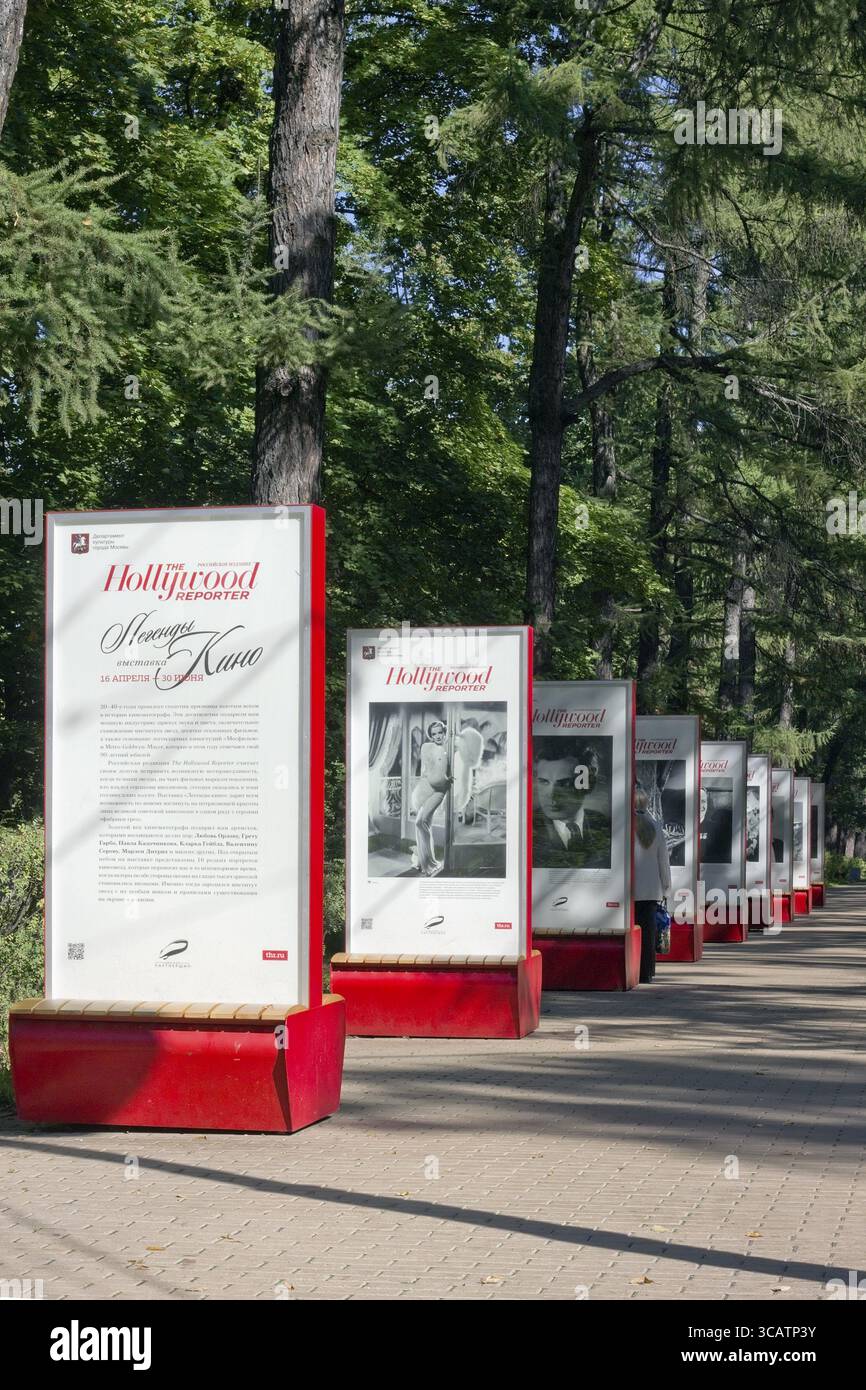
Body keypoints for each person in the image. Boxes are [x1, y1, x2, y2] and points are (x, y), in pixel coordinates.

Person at [533, 740, 611, 868]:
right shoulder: (527, 830)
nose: (552, 795)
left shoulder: (607, 827)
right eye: (544, 782)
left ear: (588, 785)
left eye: (564, 784)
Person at [633, 786, 672, 983]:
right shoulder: (656, 826)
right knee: (648, 933)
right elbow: (663, 861)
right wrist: (666, 887)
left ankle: (630, 969)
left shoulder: (625, 826)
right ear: (646, 803)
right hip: (650, 890)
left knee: (631, 932)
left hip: (629, 890)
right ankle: (646, 972)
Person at [411, 719, 452, 876]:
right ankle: (424, 860)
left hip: (440, 790)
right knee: (422, 823)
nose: (437, 736)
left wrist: (448, 778)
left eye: (440, 733)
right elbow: (425, 769)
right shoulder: (427, 747)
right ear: (431, 735)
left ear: (444, 732)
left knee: (421, 822)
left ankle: (431, 861)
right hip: (427, 787)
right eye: (434, 734)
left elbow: (450, 769)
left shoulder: (448, 748)